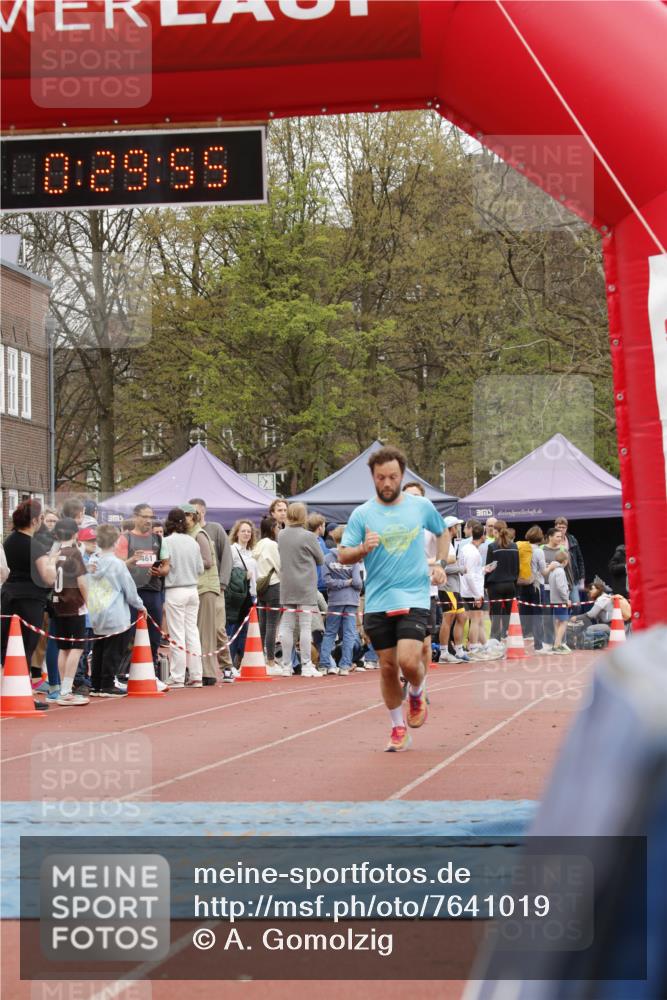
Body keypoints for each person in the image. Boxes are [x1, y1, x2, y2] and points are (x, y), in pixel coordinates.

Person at [339, 445, 448, 752]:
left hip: (414, 595)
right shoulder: (362, 514)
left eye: (392, 477)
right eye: (380, 478)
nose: (387, 483)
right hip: (377, 599)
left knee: (409, 660)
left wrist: (439, 563)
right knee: (387, 667)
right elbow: (343, 554)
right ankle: (398, 728)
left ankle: (416, 690)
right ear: (373, 478)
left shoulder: (420, 506)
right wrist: (362, 549)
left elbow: (443, 533)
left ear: (402, 476)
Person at [0, 499, 56, 711]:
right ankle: (24, 693)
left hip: (7, 597)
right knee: (26, 646)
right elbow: (47, 577)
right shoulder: (35, 545)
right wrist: (54, 561)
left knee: (5, 646)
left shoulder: (8, 541)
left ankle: (6, 690)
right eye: (41, 518)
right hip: (30, 599)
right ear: (34, 521)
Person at [87, 524, 144, 697]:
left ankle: (96, 683)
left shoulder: (92, 562)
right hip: (116, 612)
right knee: (114, 649)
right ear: (116, 542)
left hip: (97, 610)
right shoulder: (117, 565)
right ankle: (107, 683)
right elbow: (129, 589)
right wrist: (140, 605)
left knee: (99, 647)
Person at [115, 503, 170, 672]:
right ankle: (123, 671)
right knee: (128, 633)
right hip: (131, 592)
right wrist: (131, 561)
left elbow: (167, 566)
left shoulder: (159, 540)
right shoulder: (125, 538)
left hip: (153, 591)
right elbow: (117, 566)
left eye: (151, 517)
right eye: (145, 517)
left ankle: (151, 668)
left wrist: (160, 571)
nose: (148, 521)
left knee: (153, 633)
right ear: (135, 517)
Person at [278, 502, 324, 679]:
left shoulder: (281, 535)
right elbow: (320, 559)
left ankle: (286, 666)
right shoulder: (309, 537)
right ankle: (306, 664)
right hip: (305, 585)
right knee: (305, 625)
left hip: (287, 585)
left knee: (288, 626)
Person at [189, 498, 234, 673]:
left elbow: (227, 557)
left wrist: (222, 583)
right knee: (196, 630)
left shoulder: (215, 529)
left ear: (203, 512)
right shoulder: (187, 533)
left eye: (196, 512)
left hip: (215, 587)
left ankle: (226, 665)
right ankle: (197, 667)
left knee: (218, 629)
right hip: (194, 588)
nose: (193, 516)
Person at [402, 482, 442, 674]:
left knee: (425, 644)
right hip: (400, 591)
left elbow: (448, 555)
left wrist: (434, 564)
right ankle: (405, 675)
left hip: (426, 593)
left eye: (417, 496)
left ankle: (421, 685)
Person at [50, 518, 90, 706]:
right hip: (74, 604)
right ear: (75, 534)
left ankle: (62, 688)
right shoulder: (75, 553)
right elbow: (82, 581)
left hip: (58, 604)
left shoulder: (55, 553)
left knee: (63, 648)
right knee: (77, 647)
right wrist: (89, 601)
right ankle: (66, 690)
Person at [163, 507, 204, 688]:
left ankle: (178, 676)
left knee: (177, 634)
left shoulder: (166, 542)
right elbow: (201, 568)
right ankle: (196, 675)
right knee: (192, 633)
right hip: (192, 589)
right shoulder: (193, 542)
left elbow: (165, 566)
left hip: (175, 589)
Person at [182, 503, 220, 685]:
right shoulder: (191, 535)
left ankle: (208, 672)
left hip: (205, 587)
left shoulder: (199, 535)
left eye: (185, 516)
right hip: (199, 586)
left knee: (204, 631)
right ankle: (201, 670)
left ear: (192, 517)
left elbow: (208, 561)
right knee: (197, 631)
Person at [319, 525, 363, 676]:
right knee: (349, 633)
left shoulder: (327, 558)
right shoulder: (353, 559)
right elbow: (358, 583)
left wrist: (340, 583)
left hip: (334, 600)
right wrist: (348, 582)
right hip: (351, 601)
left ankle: (324, 664)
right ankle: (345, 665)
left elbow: (326, 581)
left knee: (330, 632)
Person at [226, 519, 258, 671]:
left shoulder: (252, 552)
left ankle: (240, 662)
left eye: (249, 531)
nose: (246, 534)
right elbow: (228, 572)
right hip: (237, 595)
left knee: (245, 631)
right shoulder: (232, 550)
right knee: (233, 630)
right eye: (243, 531)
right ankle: (229, 663)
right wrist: (243, 575)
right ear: (237, 533)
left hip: (251, 594)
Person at [253, 515, 282, 674]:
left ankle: (261, 658)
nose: (279, 530)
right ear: (272, 529)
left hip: (261, 586)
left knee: (263, 625)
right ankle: (271, 661)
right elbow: (280, 566)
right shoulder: (272, 545)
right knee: (272, 625)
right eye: (277, 527)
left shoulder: (258, 545)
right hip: (273, 585)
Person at [438, 515, 468, 663]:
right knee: (448, 618)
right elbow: (442, 565)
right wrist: (461, 568)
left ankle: (459, 650)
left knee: (462, 617)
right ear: (450, 528)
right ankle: (444, 652)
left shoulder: (449, 543)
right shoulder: (444, 544)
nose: (458, 529)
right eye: (456, 526)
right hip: (447, 587)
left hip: (454, 587)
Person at [459, 522, 490, 659]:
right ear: (482, 536)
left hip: (468, 589)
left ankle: (485, 646)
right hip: (472, 591)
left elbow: (472, 571)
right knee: (476, 620)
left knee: (479, 620)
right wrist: (477, 594)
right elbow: (470, 575)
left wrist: (484, 569)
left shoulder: (466, 548)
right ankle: (474, 647)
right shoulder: (473, 553)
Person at [485, 520, 519, 643]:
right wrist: (514, 583)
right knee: (510, 614)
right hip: (510, 584)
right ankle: (510, 636)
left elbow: (488, 568)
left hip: (495, 585)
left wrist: (485, 585)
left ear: (495, 531)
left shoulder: (492, 547)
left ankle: (495, 639)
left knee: (496, 614)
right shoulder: (514, 547)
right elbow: (516, 568)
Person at [553, 516, 585, 604]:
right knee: (561, 605)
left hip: (572, 577)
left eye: (563, 527)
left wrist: (582, 578)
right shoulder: (551, 540)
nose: (561, 529)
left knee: (576, 604)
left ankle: (573, 618)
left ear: (566, 528)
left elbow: (580, 559)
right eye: (559, 527)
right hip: (558, 577)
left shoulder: (572, 539)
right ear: (555, 527)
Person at [547, 550, 572, 654]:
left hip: (554, 600)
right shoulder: (560, 571)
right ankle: (557, 645)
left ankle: (557, 644)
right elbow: (561, 587)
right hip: (561, 600)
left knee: (557, 622)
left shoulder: (553, 571)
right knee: (564, 622)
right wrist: (566, 599)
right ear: (565, 561)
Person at [308, 512, 330, 602]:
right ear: (320, 527)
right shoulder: (310, 541)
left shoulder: (321, 540)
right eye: (324, 525)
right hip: (315, 586)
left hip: (323, 584)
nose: (325, 528)